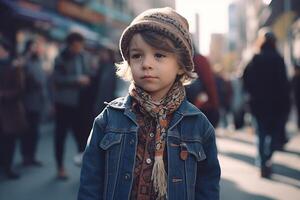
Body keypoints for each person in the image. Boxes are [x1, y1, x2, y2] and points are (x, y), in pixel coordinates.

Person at [78, 7, 220, 200]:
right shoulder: (109, 119)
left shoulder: (198, 125)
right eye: (137, 55)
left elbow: (207, 187)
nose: (146, 63)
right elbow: (90, 184)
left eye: (159, 55)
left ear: (180, 65)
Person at [243, 28, 291, 178]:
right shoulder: (279, 59)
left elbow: (245, 80)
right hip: (276, 105)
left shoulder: (255, 58)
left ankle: (263, 163)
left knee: (261, 134)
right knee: (273, 134)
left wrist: (252, 95)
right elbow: (284, 84)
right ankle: (267, 158)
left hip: (258, 105)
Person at [53, 32, 91, 179]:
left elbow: (88, 72)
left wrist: (88, 76)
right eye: (76, 46)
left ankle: (85, 165)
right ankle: (60, 167)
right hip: (64, 103)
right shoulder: (61, 58)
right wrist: (76, 80)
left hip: (80, 103)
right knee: (60, 136)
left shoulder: (83, 56)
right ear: (69, 45)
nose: (79, 48)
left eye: (80, 45)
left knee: (82, 135)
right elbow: (57, 79)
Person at [0, 37, 27, 179]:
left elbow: (20, 89)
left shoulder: (14, 66)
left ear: (5, 50)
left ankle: (8, 168)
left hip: (10, 111)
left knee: (9, 142)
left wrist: (3, 95)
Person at [21, 38, 47, 167]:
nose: (35, 49)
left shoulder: (39, 61)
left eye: (36, 46)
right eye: (33, 46)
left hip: (38, 101)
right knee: (26, 131)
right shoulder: (24, 62)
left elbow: (43, 83)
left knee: (35, 131)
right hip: (27, 102)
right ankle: (25, 156)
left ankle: (32, 156)